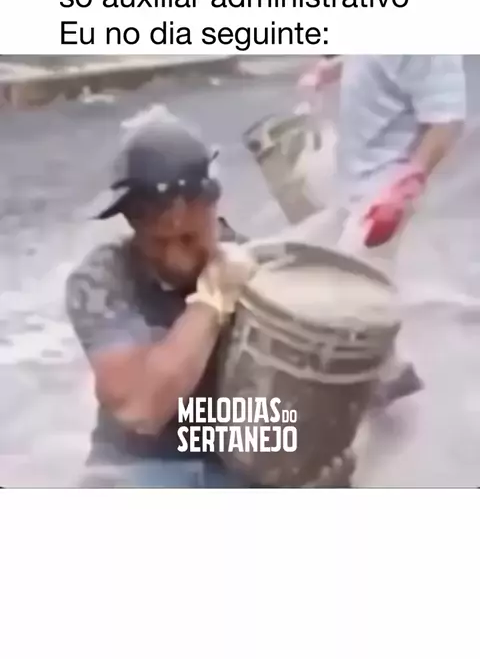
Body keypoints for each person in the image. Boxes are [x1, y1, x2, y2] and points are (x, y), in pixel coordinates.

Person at [65, 111, 257, 487]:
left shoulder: (258, 266)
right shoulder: (103, 279)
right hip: (136, 465)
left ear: (214, 208)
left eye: (189, 238)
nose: (176, 259)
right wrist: (211, 300)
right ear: (133, 224)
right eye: (158, 241)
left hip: (235, 466)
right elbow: (142, 408)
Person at [295, 55, 467, 405]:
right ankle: (388, 370)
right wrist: (335, 67)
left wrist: (407, 183)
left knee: (351, 286)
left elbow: (447, 120)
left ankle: (377, 381)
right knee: (355, 280)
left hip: (387, 187)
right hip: (358, 176)